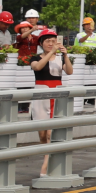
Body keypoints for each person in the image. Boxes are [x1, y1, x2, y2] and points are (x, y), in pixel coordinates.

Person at [27, 28, 69, 170]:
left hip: (56, 95)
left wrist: (66, 56)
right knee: (42, 134)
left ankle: (45, 165)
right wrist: (51, 53)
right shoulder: (35, 58)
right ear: (41, 43)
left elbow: (69, 71)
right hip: (41, 96)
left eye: (53, 41)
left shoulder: (60, 59)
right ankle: (48, 156)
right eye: (47, 41)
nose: (51, 44)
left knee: (51, 133)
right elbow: (37, 67)